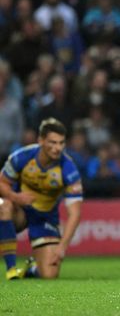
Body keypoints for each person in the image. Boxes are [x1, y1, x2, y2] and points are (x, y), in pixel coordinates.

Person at [0, 118, 83, 280]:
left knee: (50, 274)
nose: (57, 148)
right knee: (3, 206)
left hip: (45, 218)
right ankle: (11, 269)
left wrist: (62, 247)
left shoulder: (69, 169)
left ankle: (30, 270)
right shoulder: (22, 157)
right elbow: (2, 183)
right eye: (52, 142)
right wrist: (16, 197)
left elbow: (75, 213)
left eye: (61, 143)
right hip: (20, 211)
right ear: (41, 141)